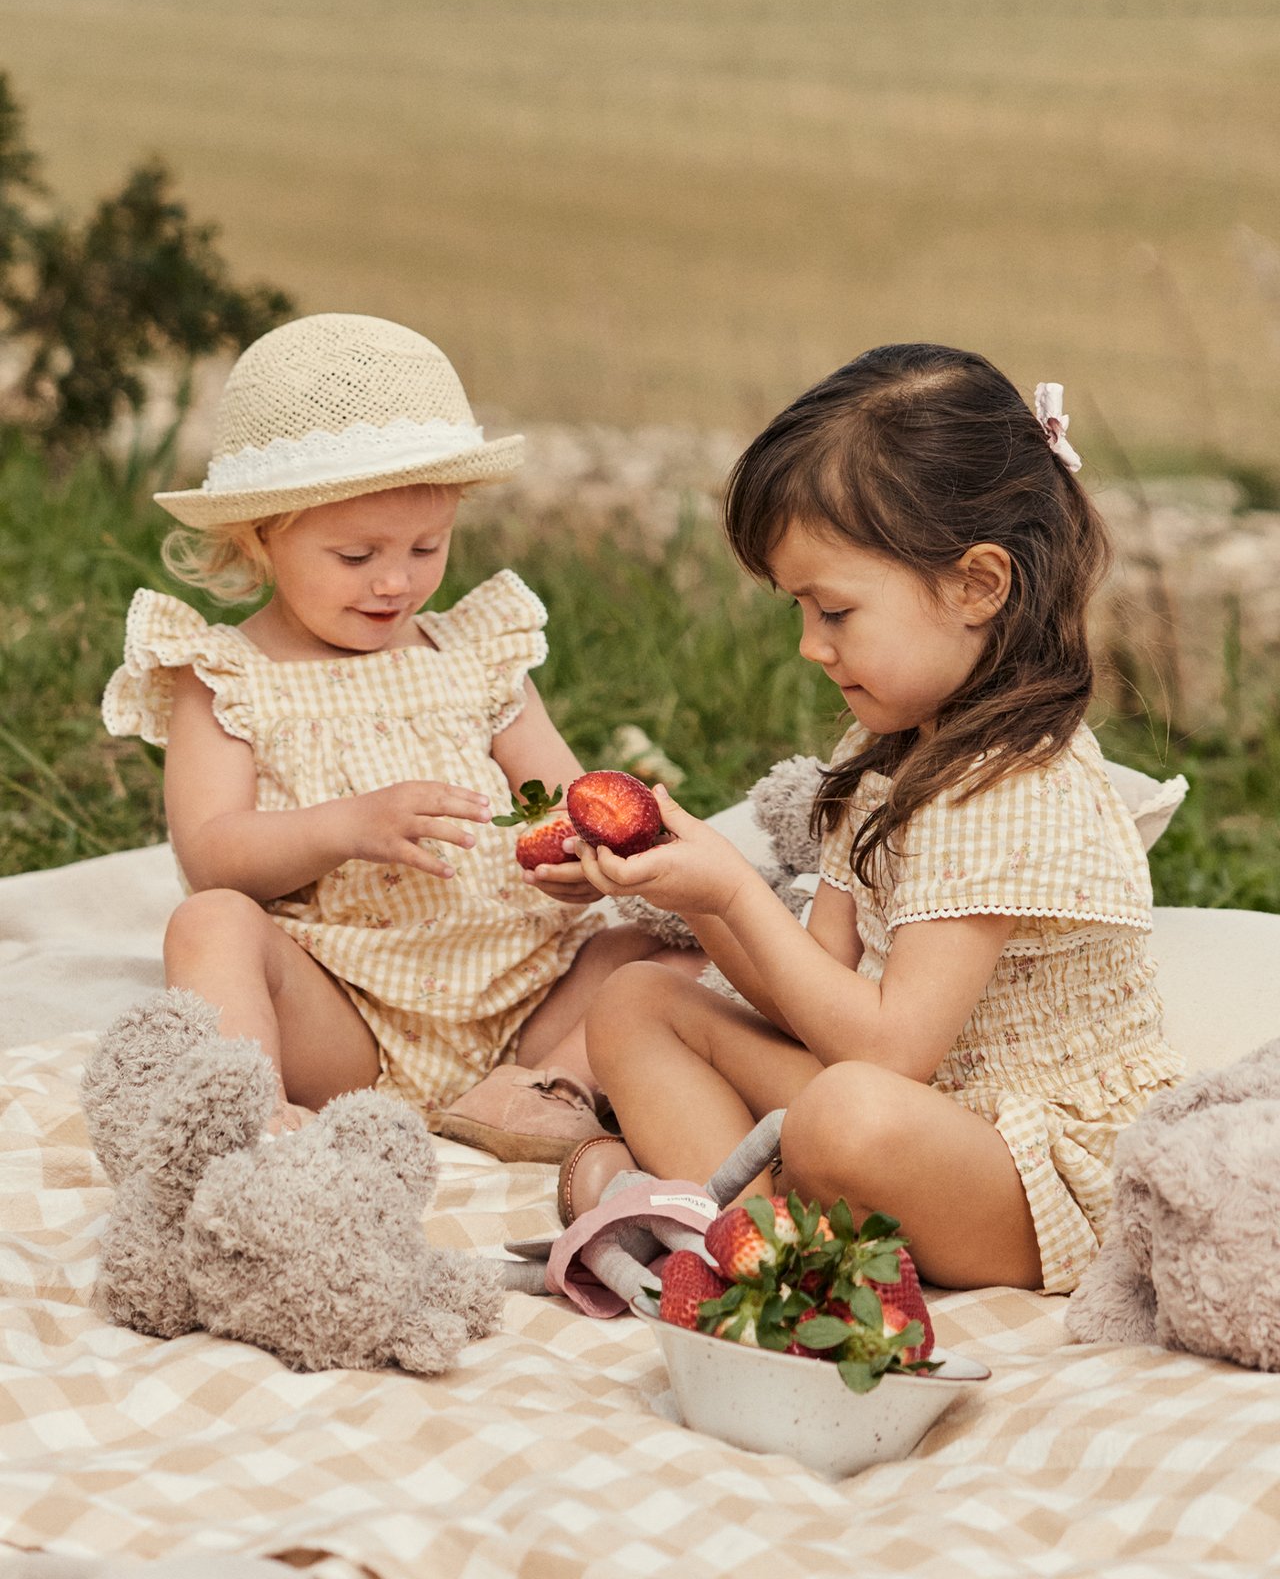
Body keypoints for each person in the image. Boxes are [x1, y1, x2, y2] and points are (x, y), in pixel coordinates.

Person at [563, 343, 1185, 1295]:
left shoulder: (1009, 785)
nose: (811, 646)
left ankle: (757, 1233)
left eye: (836, 610)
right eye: (800, 610)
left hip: (1029, 1171)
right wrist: (699, 896)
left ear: (978, 586)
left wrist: (737, 886)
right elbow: (810, 999)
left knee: (844, 1115)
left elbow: (888, 1051)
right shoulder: (884, 765)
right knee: (638, 999)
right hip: (911, 1112)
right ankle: (753, 1241)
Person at [102, 312, 701, 1156]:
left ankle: (545, 1087)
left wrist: (575, 860)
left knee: (673, 949)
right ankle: (253, 1109)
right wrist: (346, 826)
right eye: (356, 557)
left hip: (527, 996)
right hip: (348, 1020)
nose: (396, 581)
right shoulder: (226, 677)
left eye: (427, 546)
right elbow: (212, 854)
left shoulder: (477, 654)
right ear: (261, 536)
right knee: (209, 927)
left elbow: (553, 798)